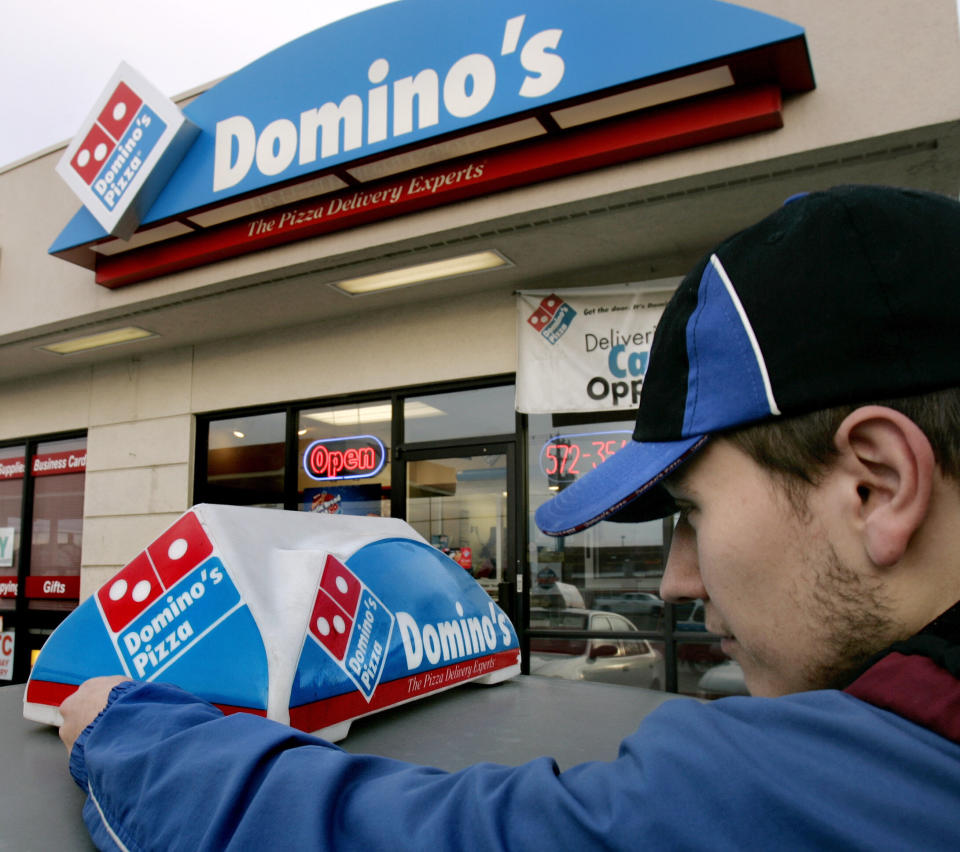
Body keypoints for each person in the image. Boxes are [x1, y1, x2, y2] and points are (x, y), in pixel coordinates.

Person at [61, 185, 960, 849]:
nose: (677, 580)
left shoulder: (854, 786)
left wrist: (125, 730)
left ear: (875, 485)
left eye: (689, 512)